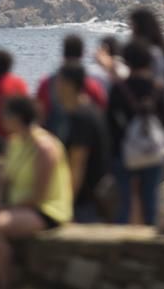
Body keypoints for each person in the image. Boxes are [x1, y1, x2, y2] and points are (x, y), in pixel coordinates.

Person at [0, 97, 72, 289]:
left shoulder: (45, 147)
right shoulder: (13, 142)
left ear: (17, 118)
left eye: (5, 115)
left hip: (46, 209)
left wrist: (1, 207)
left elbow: (39, 196)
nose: (1, 118)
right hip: (14, 206)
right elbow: (4, 181)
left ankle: (5, 283)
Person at [106, 39, 164, 225]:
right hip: (153, 150)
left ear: (127, 62)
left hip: (123, 151)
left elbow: (110, 121)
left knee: (124, 205)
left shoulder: (119, 88)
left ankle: (119, 248)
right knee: (151, 204)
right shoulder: (158, 88)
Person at [54, 64, 111, 222]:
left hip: (85, 203)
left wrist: (65, 207)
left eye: (59, 82)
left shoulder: (82, 118)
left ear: (69, 85)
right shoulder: (91, 111)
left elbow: (77, 166)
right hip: (92, 199)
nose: (55, 87)